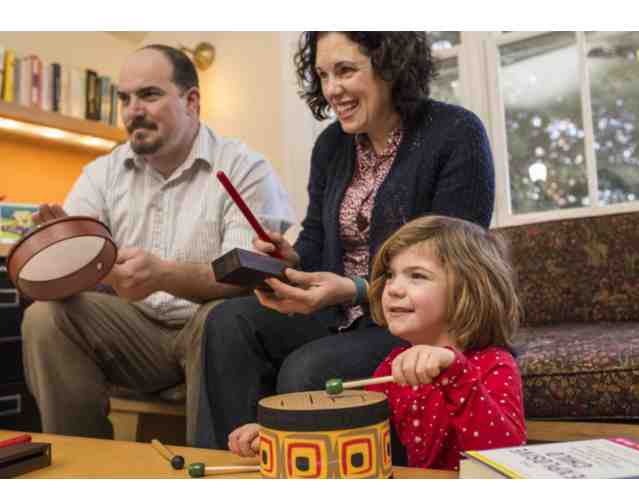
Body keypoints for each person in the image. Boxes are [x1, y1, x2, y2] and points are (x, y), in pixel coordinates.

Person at [195, 32, 496, 452]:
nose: (332, 89)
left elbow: (457, 267)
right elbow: (316, 241)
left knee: (308, 372)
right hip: (341, 314)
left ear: (390, 65)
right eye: (322, 75)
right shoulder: (331, 146)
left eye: (345, 70)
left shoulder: (456, 133)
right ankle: (231, 468)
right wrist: (290, 259)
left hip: (416, 321)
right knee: (227, 322)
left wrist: (355, 289)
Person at [21, 44, 294, 444]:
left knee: (219, 318)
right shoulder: (101, 173)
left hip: (210, 328)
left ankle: (211, 466)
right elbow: (79, 269)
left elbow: (244, 277)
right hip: (135, 331)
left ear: (191, 101)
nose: (133, 110)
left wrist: (163, 275)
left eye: (149, 95)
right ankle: (80, 462)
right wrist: (63, 255)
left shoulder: (244, 167)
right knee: (45, 318)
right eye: (124, 99)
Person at [227, 215, 526, 468]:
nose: (392, 289)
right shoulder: (391, 367)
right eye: (391, 275)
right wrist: (278, 437)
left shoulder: (494, 365)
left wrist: (455, 372)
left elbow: (507, 459)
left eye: (417, 276)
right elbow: (347, 437)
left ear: (470, 290)